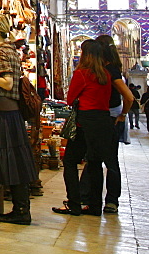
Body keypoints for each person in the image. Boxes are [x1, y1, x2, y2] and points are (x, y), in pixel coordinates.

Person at [0, 12, 36, 224]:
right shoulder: (10, 50)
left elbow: (8, 83)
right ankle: (21, 208)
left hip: (4, 111)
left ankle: (22, 211)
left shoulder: (1, 52)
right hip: (11, 111)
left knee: (11, 159)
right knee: (15, 158)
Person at [52, 39, 113, 217]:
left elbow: (70, 99)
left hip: (84, 123)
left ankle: (74, 203)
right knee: (95, 164)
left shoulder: (82, 74)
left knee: (70, 161)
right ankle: (95, 206)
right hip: (102, 122)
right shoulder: (105, 75)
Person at [78, 35, 134, 214]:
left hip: (107, 118)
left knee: (100, 159)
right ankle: (102, 200)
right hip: (105, 117)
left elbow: (129, 97)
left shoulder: (109, 71)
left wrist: (123, 115)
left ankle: (101, 200)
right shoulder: (108, 69)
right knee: (103, 160)